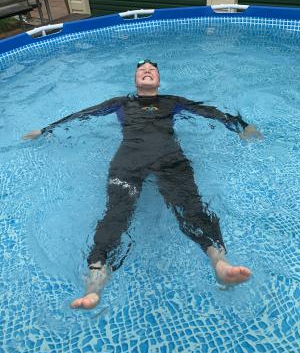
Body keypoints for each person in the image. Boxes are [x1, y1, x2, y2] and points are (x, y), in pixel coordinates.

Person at [23, 60, 263, 309]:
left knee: (192, 208)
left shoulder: (172, 101)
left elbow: (209, 112)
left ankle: (220, 264)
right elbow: (84, 114)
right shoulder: (121, 103)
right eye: (141, 69)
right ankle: (94, 285)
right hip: (129, 161)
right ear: (135, 79)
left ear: (158, 79)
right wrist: (46, 130)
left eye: (152, 69)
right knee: (116, 215)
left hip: (170, 159)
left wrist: (242, 127)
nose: (147, 70)